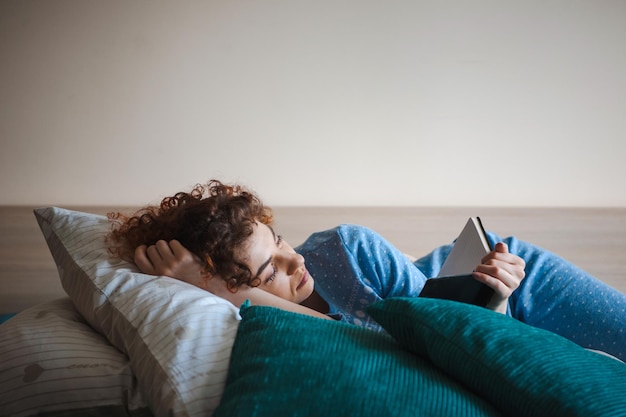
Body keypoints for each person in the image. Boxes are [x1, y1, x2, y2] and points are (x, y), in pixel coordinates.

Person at [107, 180, 626, 361]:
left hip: (506, 280)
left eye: (281, 242)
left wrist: (501, 296)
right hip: (478, 320)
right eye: (270, 270)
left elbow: (443, 332)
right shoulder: (232, 322)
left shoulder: (344, 251)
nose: (296, 261)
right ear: (226, 289)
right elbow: (371, 352)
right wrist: (207, 289)